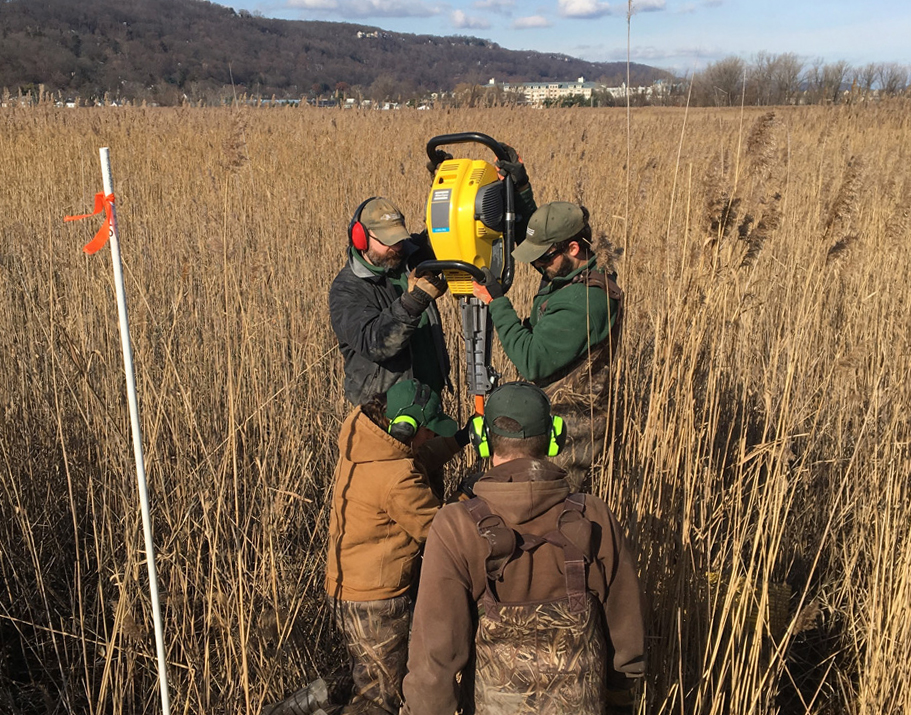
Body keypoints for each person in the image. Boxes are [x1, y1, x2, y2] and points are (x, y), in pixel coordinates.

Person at [401, 381, 644, 715]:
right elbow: (626, 637)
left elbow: (434, 660)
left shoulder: (456, 525)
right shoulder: (593, 514)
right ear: (554, 436)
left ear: (483, 441)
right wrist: (620, 702)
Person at [330, 144, 536, 406]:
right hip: (383, 411)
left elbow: (448, 237)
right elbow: (375, 344)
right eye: (386, 241)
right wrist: (414, 301)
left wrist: (446, 189)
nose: (396, 247)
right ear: (359, 238)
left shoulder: (409, 255)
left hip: (428, 401)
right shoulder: (347, 289)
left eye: (399, 239)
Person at [325, 378, 470, 715]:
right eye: (428, 430)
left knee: (363, 677)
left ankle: (300, 706)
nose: (432, 436)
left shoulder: (369, 442)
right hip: (375, 601)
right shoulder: (396, 478)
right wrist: (466, 497)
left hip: (349, 587)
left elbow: (420, 455)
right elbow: (438, 532)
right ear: (405, 428)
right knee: (380, 699)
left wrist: (460, 438)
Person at [472, 202, 623, 490]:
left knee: (554, 505)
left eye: (543, 259)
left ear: (574, 248)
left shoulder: (584, 302)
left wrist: (497, 303)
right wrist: (518, 188)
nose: (537, 265)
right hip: (549, 417)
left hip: (571, 431)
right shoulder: (569, 273)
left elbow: (531, 360)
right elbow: (540, 235)